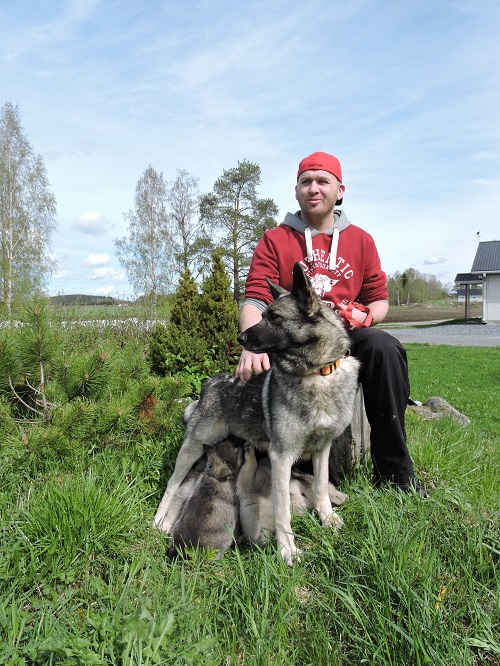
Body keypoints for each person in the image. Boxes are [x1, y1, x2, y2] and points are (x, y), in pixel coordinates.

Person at [236, 151, 427, 495]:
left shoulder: (361, 240)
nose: (313, 189)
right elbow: (255, 297)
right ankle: (302, 478)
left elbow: (379, 299)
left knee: (385, 348)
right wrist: (251, 346)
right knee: (265, 367)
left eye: (322, 181)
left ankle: (396, 476)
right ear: (296, 191)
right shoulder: (276, 239)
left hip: (344, 339)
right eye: (305, 182)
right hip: (293, 343)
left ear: (339, 190)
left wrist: (368, 315)